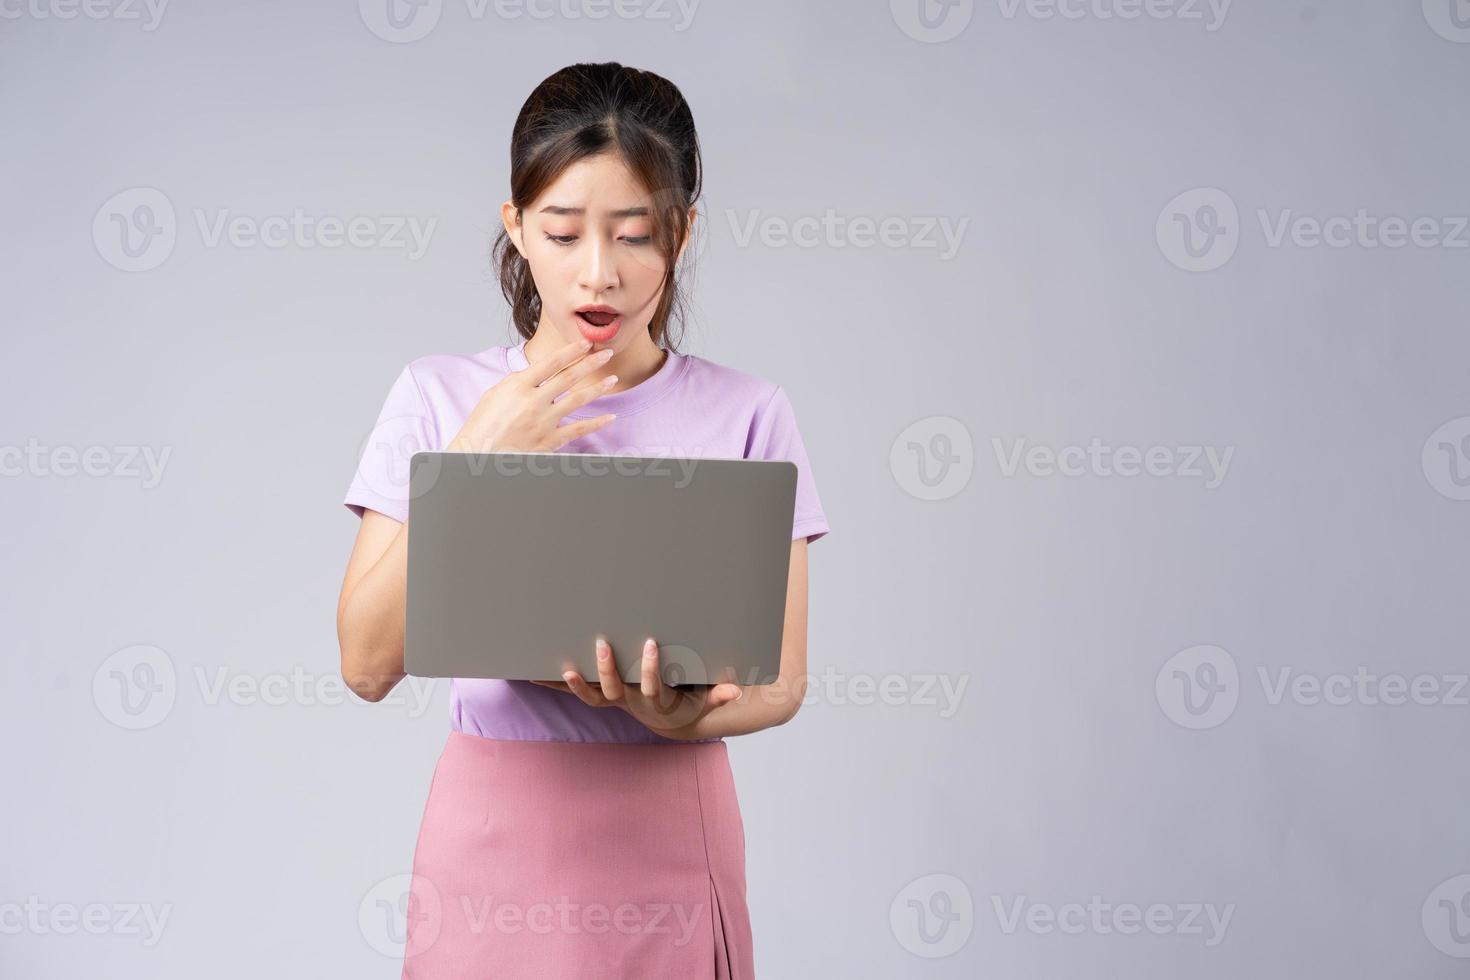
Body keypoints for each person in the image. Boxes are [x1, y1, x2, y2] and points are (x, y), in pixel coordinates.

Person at [337, 61, 829, 978]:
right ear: (517, 227)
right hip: (491, 837)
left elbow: (783, 682)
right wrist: (479, 457)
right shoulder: (438, 396)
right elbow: (365, 664)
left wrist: (677, 718)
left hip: (669, 829)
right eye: (563, 233)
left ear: (680, 234)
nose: (597, 274)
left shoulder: (750, 412)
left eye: (635, 235)